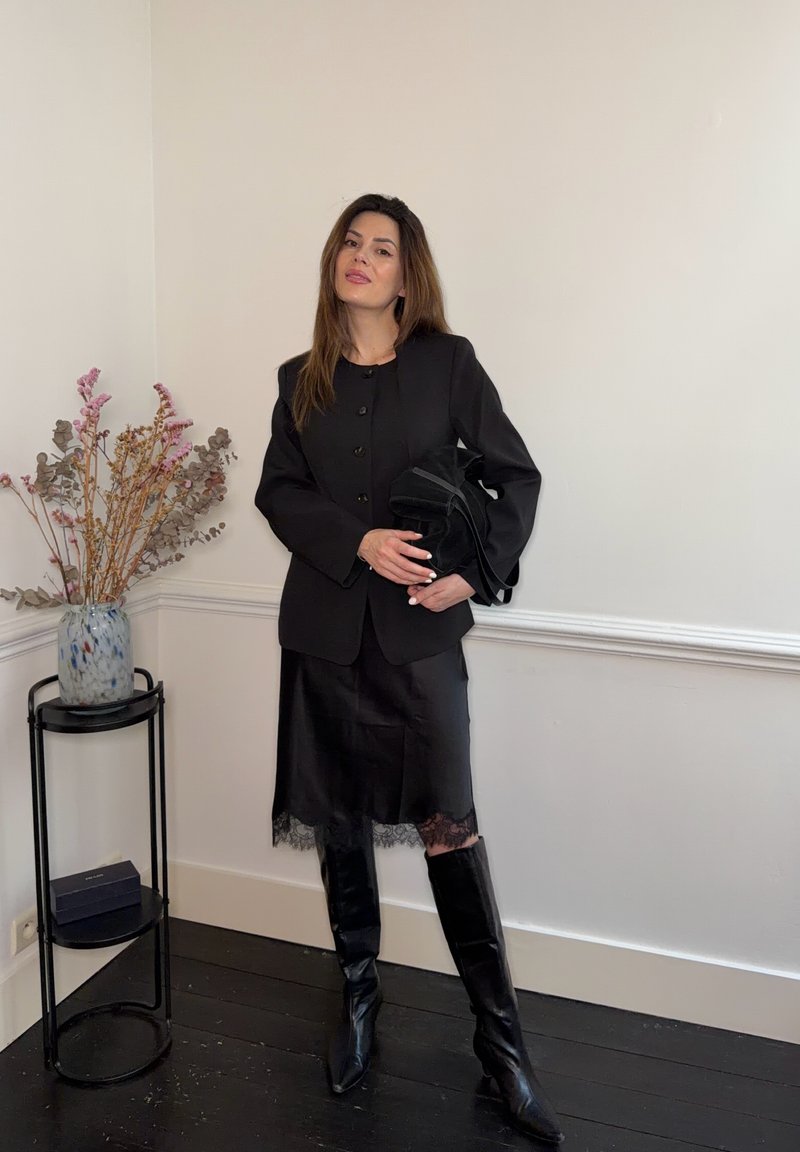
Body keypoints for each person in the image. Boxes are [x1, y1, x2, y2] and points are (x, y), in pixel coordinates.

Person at [254, 193, 563, 1145]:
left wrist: (470, 571)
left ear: (405, 272)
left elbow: (517, 476)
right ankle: (357, 1000)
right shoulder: (299, 376)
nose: (362, 257)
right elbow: (279, 490)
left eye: (382, 248)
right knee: (341, 825)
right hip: (325, 639)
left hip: (420, 644)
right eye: (351, 241)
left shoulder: (448, 364)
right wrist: (358, 540)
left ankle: (500, 1044)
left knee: (449, 832)